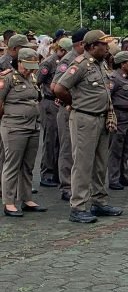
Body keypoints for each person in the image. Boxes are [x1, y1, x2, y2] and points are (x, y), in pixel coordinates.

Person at [54, 30, 123, 224]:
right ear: (92, 46)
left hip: (101, 118)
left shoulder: (100, 64)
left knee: (100, 163)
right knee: (83, 164)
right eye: (103, 44)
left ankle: (99, 201)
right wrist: (74, 104)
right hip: (85, 119)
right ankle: (78, 206)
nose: (107, 47)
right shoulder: (81, 65)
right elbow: (59, 88)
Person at [1, 48, 46, 217]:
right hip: (14, 127)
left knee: (27, 165)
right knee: (12, 165)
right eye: (26, 66)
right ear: (18, 62)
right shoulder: (8, 78)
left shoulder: (32, 78)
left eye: (32, 66)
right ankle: (9, 202)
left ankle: (26, 199)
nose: (29, 70)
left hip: (32, 126)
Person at [51, 28, 87, 202]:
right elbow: (55, 86)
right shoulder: (68, 60)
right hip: (68, 110)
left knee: (78, 150)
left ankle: (78, 185)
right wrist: (71, 101)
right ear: (81, 44)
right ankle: (66, 186)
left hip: (83, 111)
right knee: (67, 149)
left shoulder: (88, 60)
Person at [37, 37, 71, 188]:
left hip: (59, 102)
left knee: (60, 140)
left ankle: (57, 172)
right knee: (50, 139)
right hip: (49, 102)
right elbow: (38, 80)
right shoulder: (49, 63)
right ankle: (47, 173)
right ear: (61, 50)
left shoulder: (65, 62)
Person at [107, 51, 128, 190]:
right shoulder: (114, 78)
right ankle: (113, 179)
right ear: (122, 64)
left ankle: (123, 176)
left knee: (126, 148)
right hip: (119, 115)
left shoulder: (126, 78)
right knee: (116, 148)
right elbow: (108, 97)